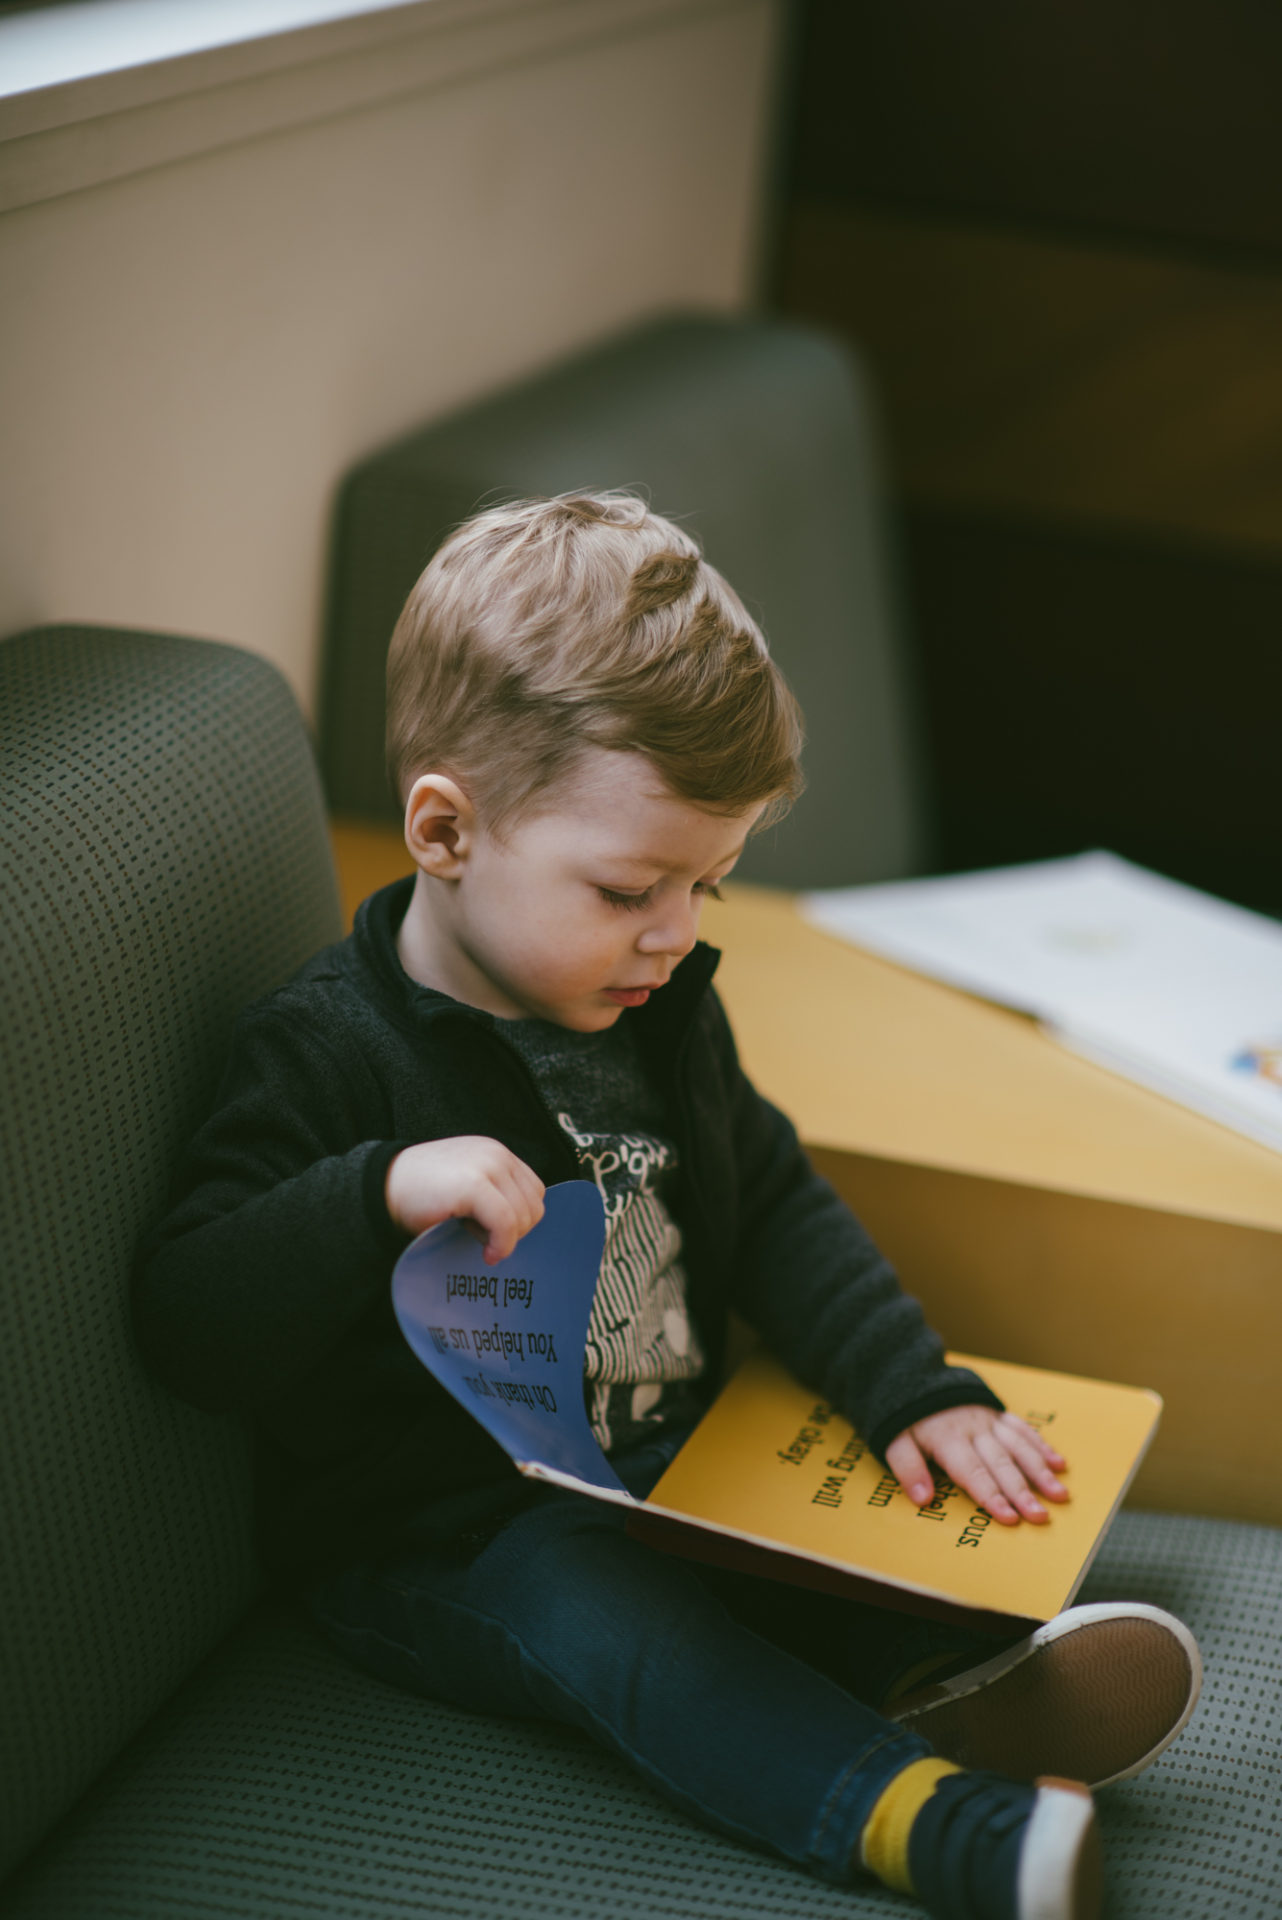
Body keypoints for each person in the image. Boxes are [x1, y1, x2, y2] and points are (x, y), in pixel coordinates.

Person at [134, 492, 1200, 1920]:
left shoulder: (656, 1010)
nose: (676, 932)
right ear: (447, 830)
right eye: (631, 885)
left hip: (681, 1463)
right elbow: (185, 1318)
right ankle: (929, 1829)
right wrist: (374, 1193)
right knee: (621, 1627)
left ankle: (954, 1687)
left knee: (842, 1543)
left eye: (711, 880)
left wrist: (907, 1391)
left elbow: (767, 1195)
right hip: (444, 1532)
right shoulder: (325, 1051)